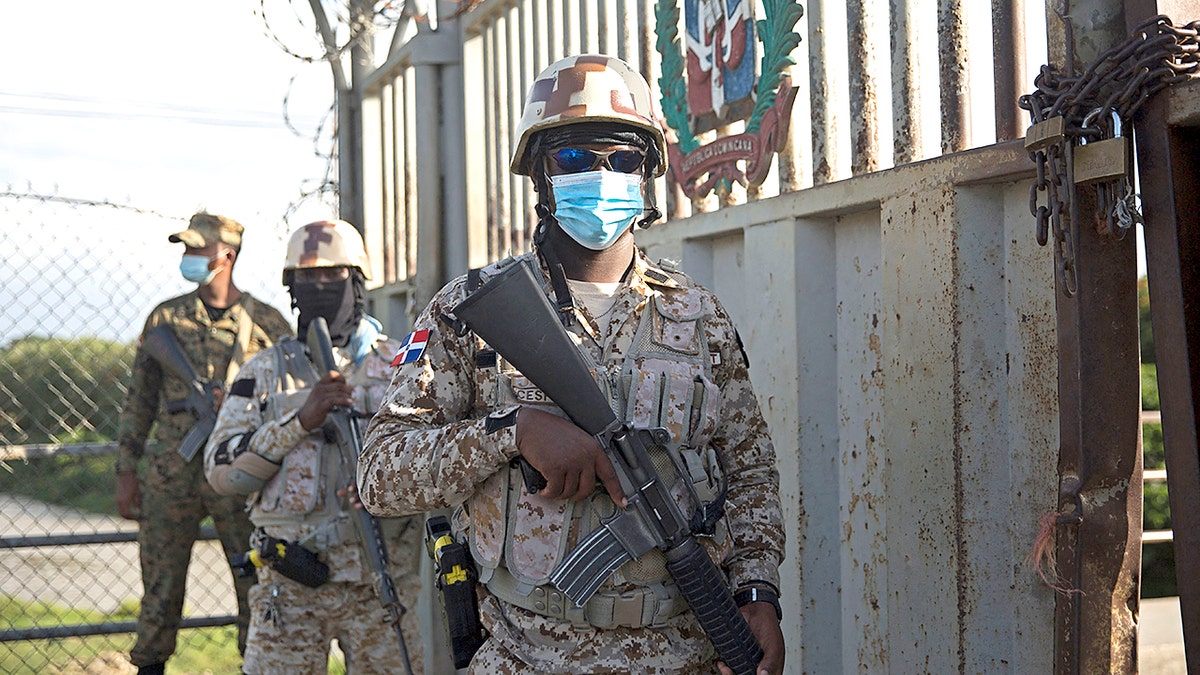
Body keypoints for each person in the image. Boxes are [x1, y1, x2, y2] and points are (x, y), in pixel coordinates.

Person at [357, 54, 786, 675]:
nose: (602, 175)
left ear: (648, 176)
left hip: (685, 650)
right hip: (529, 655)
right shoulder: (470, 311)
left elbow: (749, 469)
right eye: (575, 159)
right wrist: (511, 434)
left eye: (623, 159)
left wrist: (756, 594)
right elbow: (379, 474)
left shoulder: (699, 316)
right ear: (539, 175)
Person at [203, 219, 424, 675]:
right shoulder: (264, 372)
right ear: (291, 288)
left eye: (333, 276)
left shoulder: (402, 368)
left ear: (358, 283)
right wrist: (300, 421)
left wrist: (387, 489)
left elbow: (439, 461)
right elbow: (223, 472)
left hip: (381, 585)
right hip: (292, 583)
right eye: (307, 279)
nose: (320, 287)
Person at [116, 212, 293, 675]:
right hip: (172, 471)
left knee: (253, 579)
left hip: (240, 472)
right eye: (186, 250)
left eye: (197, 250)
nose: (188, 258)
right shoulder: (167, 319)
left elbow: (293, 398)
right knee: (161, 584)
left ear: (226, 255)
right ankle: (150, 666)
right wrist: (125, 470)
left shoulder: (266, 324)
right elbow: (139, 401)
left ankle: (256, 664)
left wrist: (239, 403)